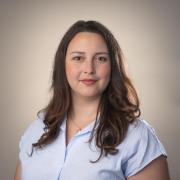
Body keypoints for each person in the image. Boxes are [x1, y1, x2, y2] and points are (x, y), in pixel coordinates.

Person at [14, 20, 170, 180]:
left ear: (113, 66)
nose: (89, 69)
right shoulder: (37, 129)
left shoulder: (137, 137)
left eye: (101, 59)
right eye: (78, 58)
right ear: (63, 64)